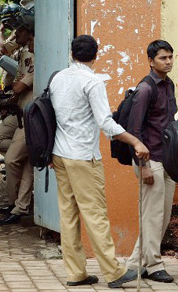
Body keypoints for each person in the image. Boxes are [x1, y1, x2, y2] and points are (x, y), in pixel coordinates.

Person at [50, 34, 149, 288]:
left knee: (68, 215)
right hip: (83, 156)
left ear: (72, 53)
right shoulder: (92, 82)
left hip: (60, 154)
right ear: (96, 54)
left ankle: (76, 272)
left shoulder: (58, 78)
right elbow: (106, 124)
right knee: (95, 214)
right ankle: (113, 271)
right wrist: (135, 142)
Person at [125, 40, 176, 283]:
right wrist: (143, 166)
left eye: (170, 57)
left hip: (168, 160)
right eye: (163, 58)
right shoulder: (145, 89)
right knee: (153, 215)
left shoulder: (169, 85)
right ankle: (154, 265)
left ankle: (136, 264)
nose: (168, 62)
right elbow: (134, 129)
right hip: (149, 160)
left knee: (160, 216)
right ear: (150, 61)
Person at [0, 7, 36, 225]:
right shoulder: (22, 51)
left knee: (11, 159)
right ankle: (20, 206)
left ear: (29, 33)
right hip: (20, 114)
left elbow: (20, 86)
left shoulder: (36, 56)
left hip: (30, 118)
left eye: (19, 30)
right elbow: (4, 50)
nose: (15, 34)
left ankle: (17, 205)